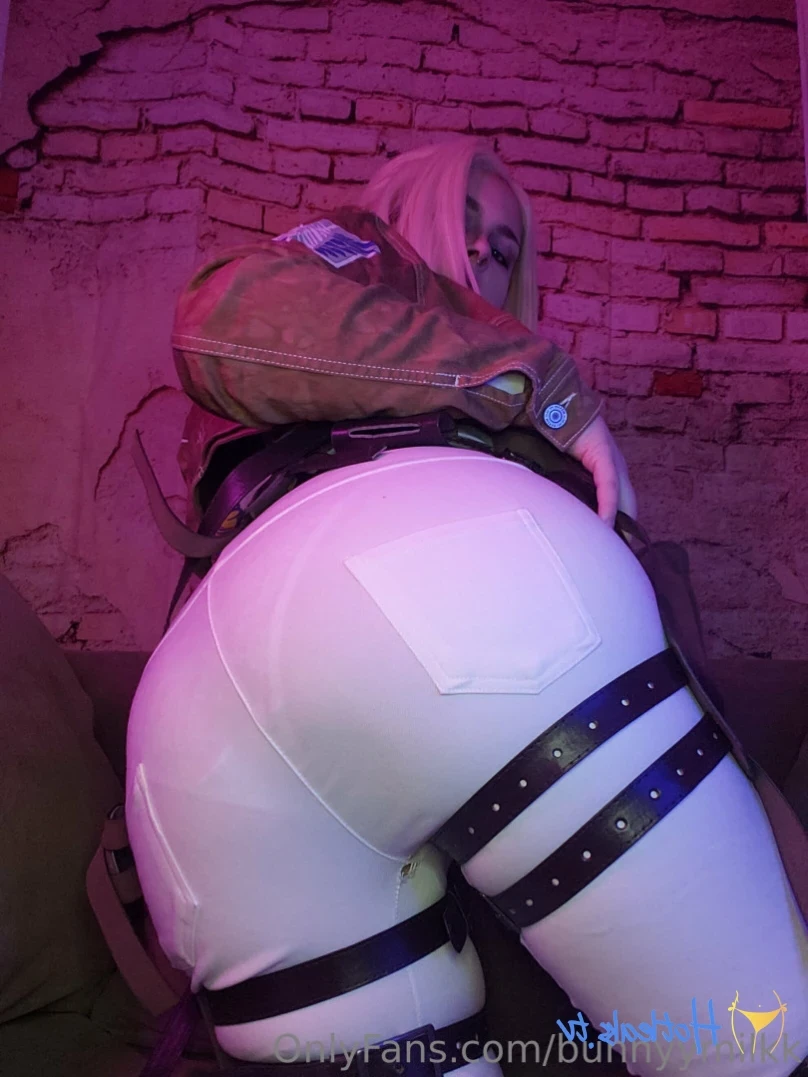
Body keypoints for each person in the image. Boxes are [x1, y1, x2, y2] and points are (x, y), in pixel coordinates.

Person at [172, 138, 636, 535]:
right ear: (405, 213)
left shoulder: (536, 390)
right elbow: (226, 312)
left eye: (501, 253)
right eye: (461, 220)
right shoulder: (362, 253)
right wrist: (538, 388)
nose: (480, 249)